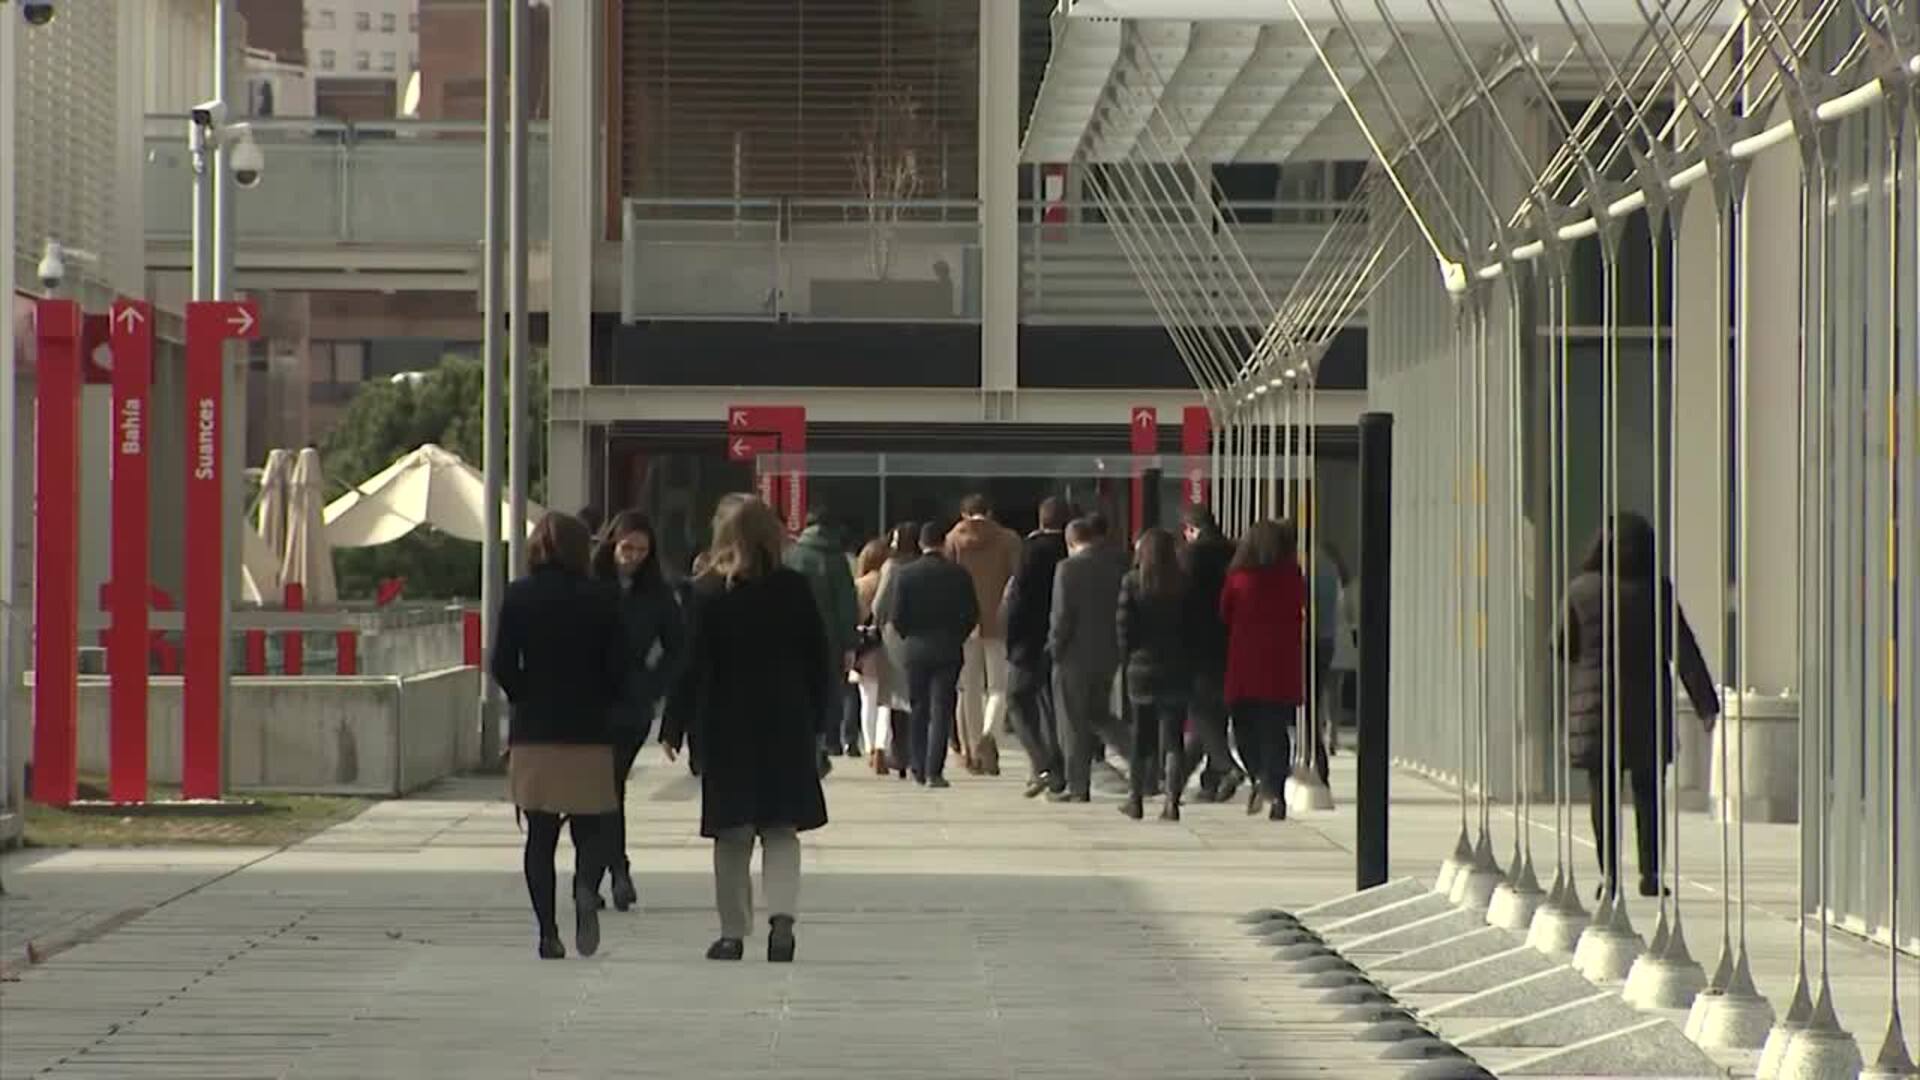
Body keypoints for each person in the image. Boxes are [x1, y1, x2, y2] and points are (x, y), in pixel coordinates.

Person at [662, 495, 831, 962]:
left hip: (725, 726)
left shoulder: (707, 593)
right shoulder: (793, 588)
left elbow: (691, 665)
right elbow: (818, 660)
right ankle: (782, 921)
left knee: (732, 836)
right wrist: (821, 723)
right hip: (786, 723)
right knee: (781, 831)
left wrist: (674, 723)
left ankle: (732, 933)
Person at [490, 512, 628, 959]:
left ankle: (548, 932)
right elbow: (619, 665)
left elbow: (502, 663)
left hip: (536, 730)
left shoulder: (519, 595)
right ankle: (586, 886)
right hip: (589, 728)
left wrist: (525, 695)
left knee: (540, 833)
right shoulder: (603, 597)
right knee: (592, 824)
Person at [1562, 511, 1719, 899]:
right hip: (1646, 712)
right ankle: (1650, 875)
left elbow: (1560, 644)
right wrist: (1706, 705)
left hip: (1597, 713)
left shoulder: (1582, 591)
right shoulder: (1656, 593)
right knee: (1648, 795)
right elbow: (1683, 649)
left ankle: (1610, 878)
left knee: (1604, 796)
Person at [586, 510, 686, 913]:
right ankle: (608, 872)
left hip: (631, 704)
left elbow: (678, 647)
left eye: (642, 551)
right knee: (599, 792)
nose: (632, 557)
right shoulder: (590, 585)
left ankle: (607, 874)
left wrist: (652, 685)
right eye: (627, 548)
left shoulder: (658, 594)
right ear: (612, 544)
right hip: (590, 700)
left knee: (609, 787)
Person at [873, 521, 979, 788]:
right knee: (942, 709)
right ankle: (935, 770)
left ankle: (917, 766)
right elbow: (972, 613)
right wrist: (957, 636)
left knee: (918, 707)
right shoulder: (959, 574)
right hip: (948, 648)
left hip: (915, 649)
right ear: (943, 543)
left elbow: (897, 616)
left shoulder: (906, 574)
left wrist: (909, 635)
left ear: (921, 544)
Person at [1221, 519, 1306, 820]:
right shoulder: (1292, 577)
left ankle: (1259, 776)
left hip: (1245, 662)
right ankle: (1276, 790)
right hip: (1282, 663)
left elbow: (1225, 613)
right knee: (1276, 730)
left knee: (1244, 727)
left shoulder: (1239, 578)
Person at [1047, 516, 1129, 802]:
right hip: (1107, 653)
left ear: (1070, 542)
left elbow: (1062, 615)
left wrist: (1055, 648)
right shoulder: (1115, 567)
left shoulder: (1067, 568)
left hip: (1074, 655)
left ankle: (1077, 785)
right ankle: (1143, 761)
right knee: (1099, 714)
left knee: (1072, 721)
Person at [945, 494, 1023, 776]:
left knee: (968, 688)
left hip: (964, 622)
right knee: (998, 687)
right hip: (999, 621)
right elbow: (1018, 580)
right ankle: (990, 736)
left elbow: (947, 579)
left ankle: (971, 749)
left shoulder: (953, 539)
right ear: (989, 512)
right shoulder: (1009, 539)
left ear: (964, 514)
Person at [1117, 527, 1190, 821]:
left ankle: (1135, 799)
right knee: (1173, 739)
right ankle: (1171, 801)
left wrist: (1127, 658)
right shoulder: (1184, 583)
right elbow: (1193, 628)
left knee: (1141, 737)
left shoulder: (1132, 582)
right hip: (1177, 667)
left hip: (1142, 668)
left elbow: (1124, 628)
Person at [1002, 496, 1072, 796]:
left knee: (1017, 700)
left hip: (1029, 640)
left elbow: (1018, 599)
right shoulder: (1069, 549)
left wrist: (1012, 639)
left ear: (1041, 519)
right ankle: (1054, 769)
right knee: (1049, 706)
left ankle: (1044, 764)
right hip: (1062, 637)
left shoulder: (1031, 550)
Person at [784, 508, 861, 760]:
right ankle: (830, 740)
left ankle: (801, 739)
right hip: (830, 637)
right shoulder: (836, 559)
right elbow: (846, 604)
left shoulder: (791, 556)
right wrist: (850, 643)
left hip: (794, 635)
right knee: (831, 689)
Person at [1179, 504, 1242, 802]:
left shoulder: (1191, 556)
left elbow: (1185, 599)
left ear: (1192, 529)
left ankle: (1227, 767)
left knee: (1200, 711)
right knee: (1214, 715)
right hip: (1230, 640)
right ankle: (1204, 781)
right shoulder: (1234, 552)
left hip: (1198, 642)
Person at [870, 522, 923, 777]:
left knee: (896, 698)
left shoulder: (892, 567)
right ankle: (916, 754)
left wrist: (877, 623)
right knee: (918, 697)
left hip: (895, 636)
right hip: (922, 633)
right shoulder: (923, 565)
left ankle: (899, 753)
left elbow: (879, 605)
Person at [852, 538, 898, 775]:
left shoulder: (859, 585)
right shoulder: (892, 581)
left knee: (867, 701)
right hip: (889, 647)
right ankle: (883, 746)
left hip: (865, 647)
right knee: (886, 702)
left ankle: (870, 747)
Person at [1307, 542, 1344, 785]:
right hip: (1327, 640)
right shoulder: (1330, 567)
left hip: (1309, 641)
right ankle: (1321, 755)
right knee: (1320, 699)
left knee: (1308, 707)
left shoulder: (1306, 568)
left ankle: (1317, 763)